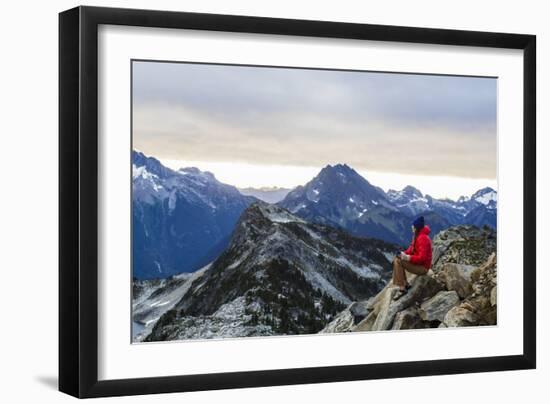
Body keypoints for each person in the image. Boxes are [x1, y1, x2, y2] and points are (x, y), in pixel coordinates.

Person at [392, 215, 433, 300]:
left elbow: (422, 258)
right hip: (419, 265)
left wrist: (407, 258)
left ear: (417, 228)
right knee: (398, 259)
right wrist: (403, 254)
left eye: (413, 226)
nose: (412, 228)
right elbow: (411, 249)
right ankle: (404, 284)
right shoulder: (416, 236)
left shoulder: (423, 238)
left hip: (423, 268)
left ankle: (402, 288)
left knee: (399, 261)